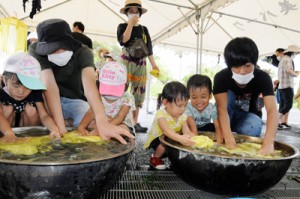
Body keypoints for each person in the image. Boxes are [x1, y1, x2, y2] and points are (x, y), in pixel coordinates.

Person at [28, 18, 134, 144]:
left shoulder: (83, 51)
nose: (56, 52)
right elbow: (50, 86)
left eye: (60, 48)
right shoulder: (35, 50)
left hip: (74, 98)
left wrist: (102, 121)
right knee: (38, 115)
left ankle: (68, 122)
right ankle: (63, 123)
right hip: (47, 98)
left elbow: (90, 87)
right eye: (51, 49)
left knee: (92, 121)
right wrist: (62, 130)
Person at [213, 37, 278, 155]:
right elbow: (221, 109)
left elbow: (272, 110)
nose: (242, 71)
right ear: (229, 65)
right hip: (227, 116)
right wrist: (228, 139)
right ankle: (226, 131)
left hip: (249, 118)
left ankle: (233, 131)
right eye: (237, 66)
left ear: (254, 63)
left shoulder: (263, 78)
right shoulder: (221, 77)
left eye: (247, 66)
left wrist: (269, 143)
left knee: (251, 129)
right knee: (227, 98)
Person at [117, 0, 160, 133]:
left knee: (139, 92)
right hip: (126, 60)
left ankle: (135, 122)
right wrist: (130, 24)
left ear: (140, 13)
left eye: (136, 11)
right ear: (127, 13)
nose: (134, 13)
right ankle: (120, 119)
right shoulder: (121, 26)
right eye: (131, 11)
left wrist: (154, 65)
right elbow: (123, 40)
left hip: (141, 61)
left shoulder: (144, 29)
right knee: (122, 88)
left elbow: (149, 48)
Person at [0, 52, 60, 141]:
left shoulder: (34, 91)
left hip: (24, 125)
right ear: (4, 79)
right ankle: (6, 136)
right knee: (7, 109)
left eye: (28, 86)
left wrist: (54, 129)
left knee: (31, 109)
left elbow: (43, 115)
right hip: (6, 128)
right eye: (15, 86)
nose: (21, 91)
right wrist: (8, 133)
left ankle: (29, 136)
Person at [143, 81, 195, 170]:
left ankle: (175, 160)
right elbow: (166, 131)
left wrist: (194, 139)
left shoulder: (182, 117)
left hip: (172, 139)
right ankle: (155, 158)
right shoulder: (161, 115)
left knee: (183, 138)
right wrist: (180, 138)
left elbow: (187, 131)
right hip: (157, 140)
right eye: (179, 106)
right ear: (165, 102)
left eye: (185, 105)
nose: (183, 109)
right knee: (167, 139)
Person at [78, 61, 136, 136]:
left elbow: (120, 117)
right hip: (104, 121)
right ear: (99, 83)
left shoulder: (127, 98)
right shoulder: (98, 95)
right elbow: (91, 112)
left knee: (123, 129)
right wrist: (81, 127)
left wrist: (101, 129)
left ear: (125, 84)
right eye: (108, 89)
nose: (110, 94)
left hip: (120, 123)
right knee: (91, 124)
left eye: (114, 89)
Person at [186, 74, 223, 144]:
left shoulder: (212, 108)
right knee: (184, 128)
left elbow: (217, 126)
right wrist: (197, 142)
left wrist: (219, 142)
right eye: (194, 97)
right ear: (189, 96)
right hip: (191, 127)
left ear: (210, 96)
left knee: (213, 127)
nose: (199, 101)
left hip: (205, 127)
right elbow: (192, 126)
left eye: (203, 97)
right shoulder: (188, 107)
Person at [277, 45, 299, 130]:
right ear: (293, 52)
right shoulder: (289, 59)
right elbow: (289, 70)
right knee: (288, 105)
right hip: (287, 85)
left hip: (281, 86)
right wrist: (296, 74)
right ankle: (275, 120)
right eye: (296, 53)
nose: (296, 55)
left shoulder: (282, 60)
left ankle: (280, 123)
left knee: (282, 105)